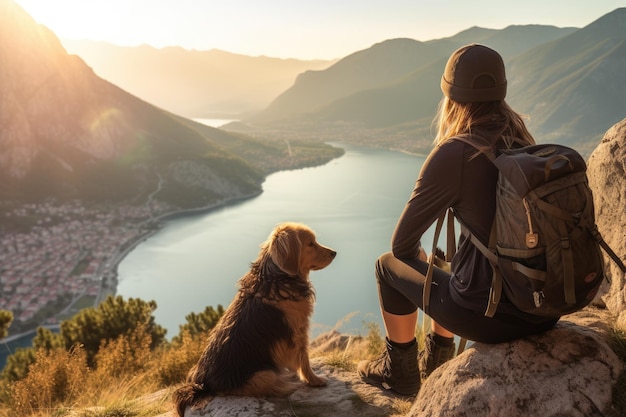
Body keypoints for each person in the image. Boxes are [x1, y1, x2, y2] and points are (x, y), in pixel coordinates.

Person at [357, 44, 560, 396]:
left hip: (493, 319)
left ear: (450, 96)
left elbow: (402, 246)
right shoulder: (523, 139)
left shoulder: (455, 152)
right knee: (455, 263)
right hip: (544, 307)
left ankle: (400, 371)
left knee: (387, 266)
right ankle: (437, 359)